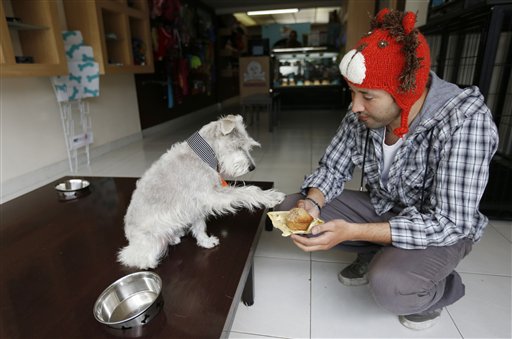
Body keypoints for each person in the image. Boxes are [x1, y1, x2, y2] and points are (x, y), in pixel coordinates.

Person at [278, 8, 499, 330]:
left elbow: (450, 222)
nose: (355, 106)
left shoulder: (465, 122)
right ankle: (376, 251)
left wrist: (353, 231)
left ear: (405, 93)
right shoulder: (364, 113)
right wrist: (312, 202)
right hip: (386, 207)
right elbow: (332, 168)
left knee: (391, 284)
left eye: (366, 96)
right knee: (289, 210)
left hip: (441, 227)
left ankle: (440, 287)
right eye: (353, 93)